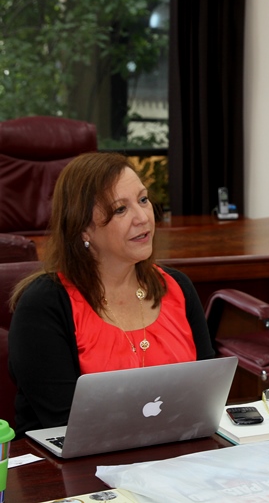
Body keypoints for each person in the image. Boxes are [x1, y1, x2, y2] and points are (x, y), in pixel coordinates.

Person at [8, 152, 214, 435]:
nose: (143, 217)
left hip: (179, 451)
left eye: (143, 200)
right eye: (120, 209)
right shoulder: (44, 305)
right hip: (75, 460)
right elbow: (65, 424)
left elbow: (207, 398)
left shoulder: (178, 287)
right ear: (83, 228)